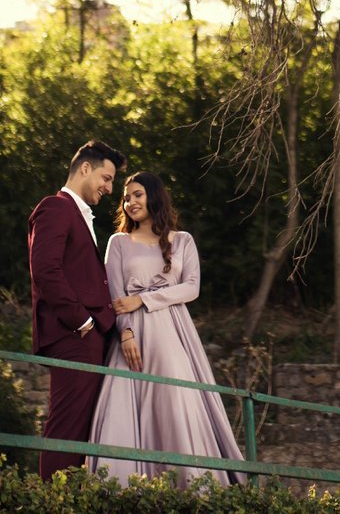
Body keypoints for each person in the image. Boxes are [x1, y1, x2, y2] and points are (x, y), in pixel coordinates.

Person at [87, 171, 246, 485]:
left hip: (173, 334)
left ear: (154, 197)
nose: (130, 202)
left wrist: (144, 299)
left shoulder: (182, 240)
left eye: (138, 195)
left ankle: (189, 485)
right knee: (122, 408)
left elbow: (191, 288)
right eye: (126, 197)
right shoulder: (118, 242)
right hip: (131, 336)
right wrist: (127, 333)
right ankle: (124, 489)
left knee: (175, 404)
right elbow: (117, 296)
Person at [29, 139, 126, 479]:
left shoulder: (81, 216)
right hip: (73, 335)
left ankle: (67, 498)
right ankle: (52, 500)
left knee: (83, 428)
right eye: (106, 177)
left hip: (88, 337)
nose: (109, 188)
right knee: (67, 426)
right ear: (85, 168)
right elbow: (45, 271)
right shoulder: (55, 208)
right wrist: (82, 322)